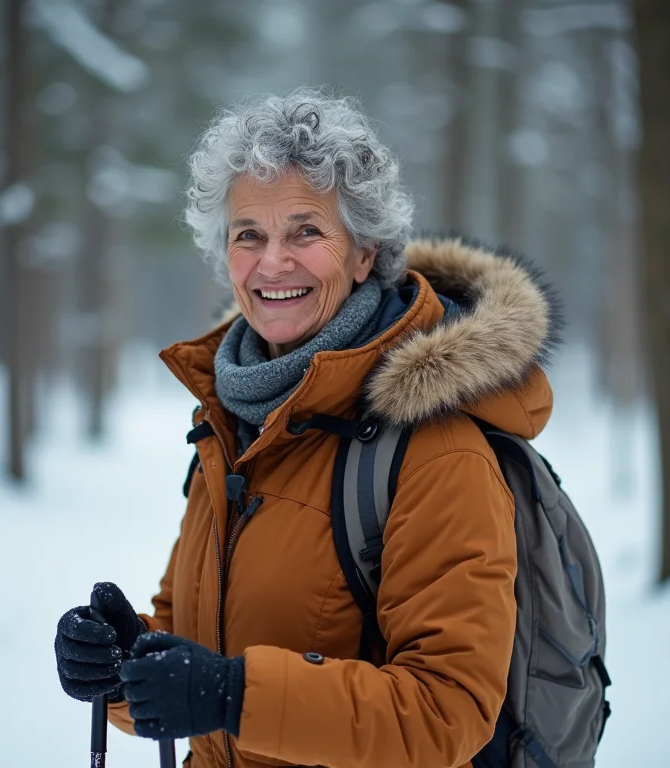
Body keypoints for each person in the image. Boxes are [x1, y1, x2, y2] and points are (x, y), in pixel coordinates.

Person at [55, 89, 557, 768]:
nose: (272, 263)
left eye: (305, 232)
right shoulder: (231, 419)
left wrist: (234, 697)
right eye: (248, 235)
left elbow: (448, 711)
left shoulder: (434, 450)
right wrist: (123, 669)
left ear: (363, 253)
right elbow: (193, 641)